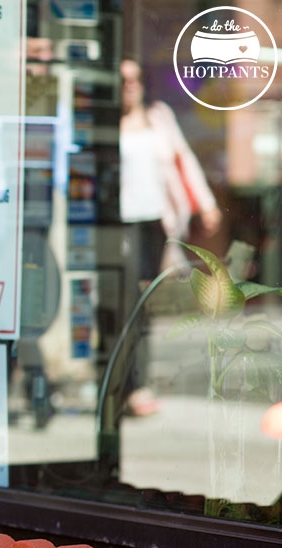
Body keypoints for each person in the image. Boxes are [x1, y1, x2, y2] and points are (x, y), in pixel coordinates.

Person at [119, 58, 221, 416]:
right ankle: (122, 385)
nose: (130, 86)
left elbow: (184, 161)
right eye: (122, 80)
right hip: (117, 225)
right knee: (122, 306)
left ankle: (137, 385)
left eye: (135, 79)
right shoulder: (104, 123)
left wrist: (206, 205)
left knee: (139, 306)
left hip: (153, 225)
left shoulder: (159, 117)